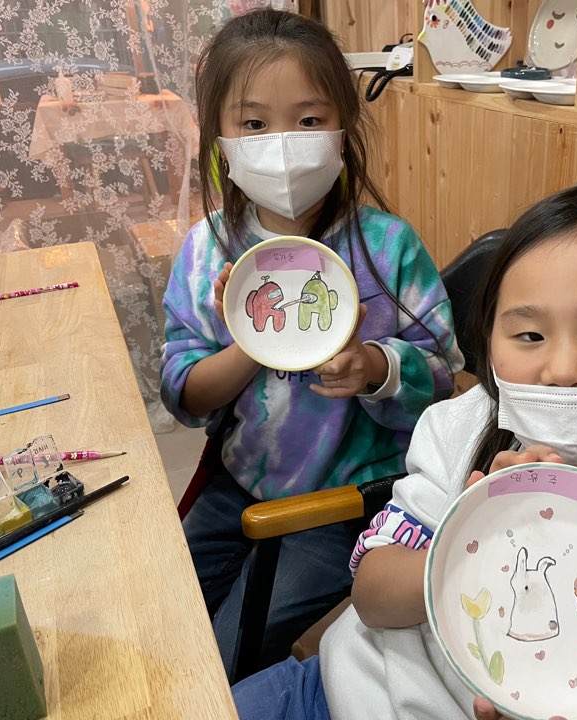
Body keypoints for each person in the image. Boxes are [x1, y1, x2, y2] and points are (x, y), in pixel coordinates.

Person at [230, 183, 577, 720]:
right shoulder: (462, 428)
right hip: (332, 689)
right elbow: (371, 599)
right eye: (529, 335)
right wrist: (471, 537)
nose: (563, 371)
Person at [160, 8, 463, 671]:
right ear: (221, 140)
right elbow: (183, 393)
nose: (282, 144)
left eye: (307, 119)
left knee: (226, 655)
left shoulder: (387, 246)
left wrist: (374, 367)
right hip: (239, 481)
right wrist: (248, 340)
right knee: (164, 622)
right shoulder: (208, 252)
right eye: (254, 124)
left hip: (343, 501)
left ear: (342, 130)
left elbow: (444, 376)